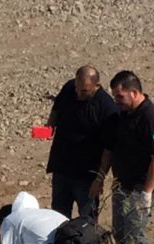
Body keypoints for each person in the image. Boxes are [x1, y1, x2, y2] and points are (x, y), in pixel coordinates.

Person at [89, 70, 154, 244]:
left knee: (136, 235)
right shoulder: (124, 116)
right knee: (121, 233)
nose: (116, 101)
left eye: (120, 96)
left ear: (134, 93)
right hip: (122, 185)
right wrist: (102, 177)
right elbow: (111, 149)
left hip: (139, 190)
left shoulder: (151, 118)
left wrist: (148, 192)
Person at [46, 65, 118, 218]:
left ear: (97, 86)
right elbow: (57, 107)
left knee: (87, 221)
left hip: (86, 177)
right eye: (77, 89)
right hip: (62, 168)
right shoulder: (69, 88)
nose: (78, 94)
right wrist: (50, 125)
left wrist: (99, 179)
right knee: (57, 217)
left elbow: (108, 150)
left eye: (84, 91)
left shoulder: (107, 109)